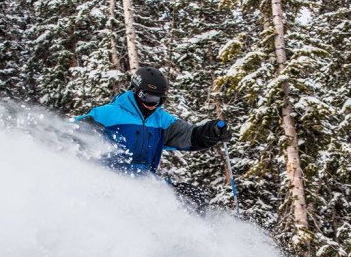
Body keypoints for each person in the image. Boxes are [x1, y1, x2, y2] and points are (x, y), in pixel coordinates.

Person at [71, 66, 232, 212]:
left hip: (146, 181)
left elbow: (189, 136)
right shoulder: (107, 114)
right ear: (134, 90)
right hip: (111, 180)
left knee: (194, 197)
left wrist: (212, 132)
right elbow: (71, 133)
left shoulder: (161, 120)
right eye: (148, 98)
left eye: (159, 100)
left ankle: (197, 240)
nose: (153, 104)